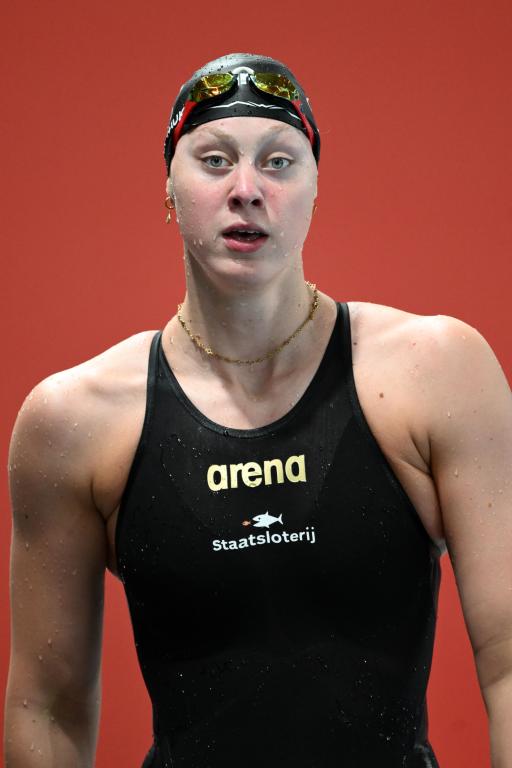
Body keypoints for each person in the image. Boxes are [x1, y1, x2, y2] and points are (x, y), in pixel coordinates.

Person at [4, 52, 512, 768]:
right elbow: (46, 708)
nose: (247, 190)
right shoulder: (75, 421)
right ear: (170, 188)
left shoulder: (436, 372)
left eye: (278, 162)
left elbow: (508, 660)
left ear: (314, 188)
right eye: (215, 160)